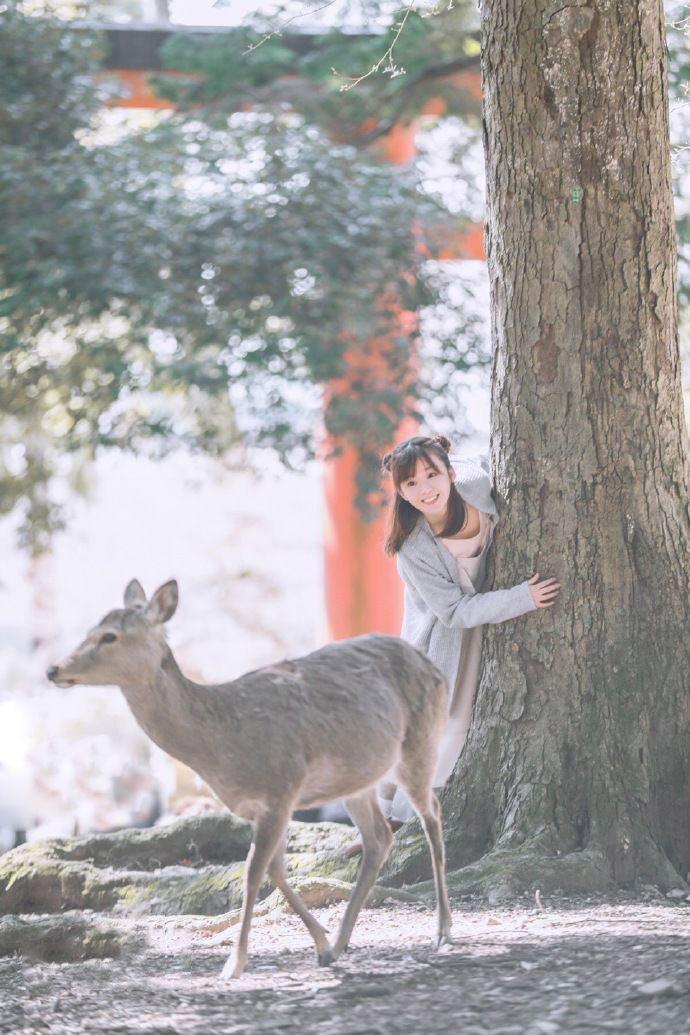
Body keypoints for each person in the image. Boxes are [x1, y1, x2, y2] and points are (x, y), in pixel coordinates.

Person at [344, 434, 560, 856]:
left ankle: (403, 817)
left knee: (450, 733)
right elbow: (454, 612)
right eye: (411, 484)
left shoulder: (476, 484)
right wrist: (523, 598)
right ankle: (375, 822)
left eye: (432, 475)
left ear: (450, 473)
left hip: (484, 629)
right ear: (401, 493)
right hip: (437, 642)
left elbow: (484, 451)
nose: (425, 489)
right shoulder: (413, 547)